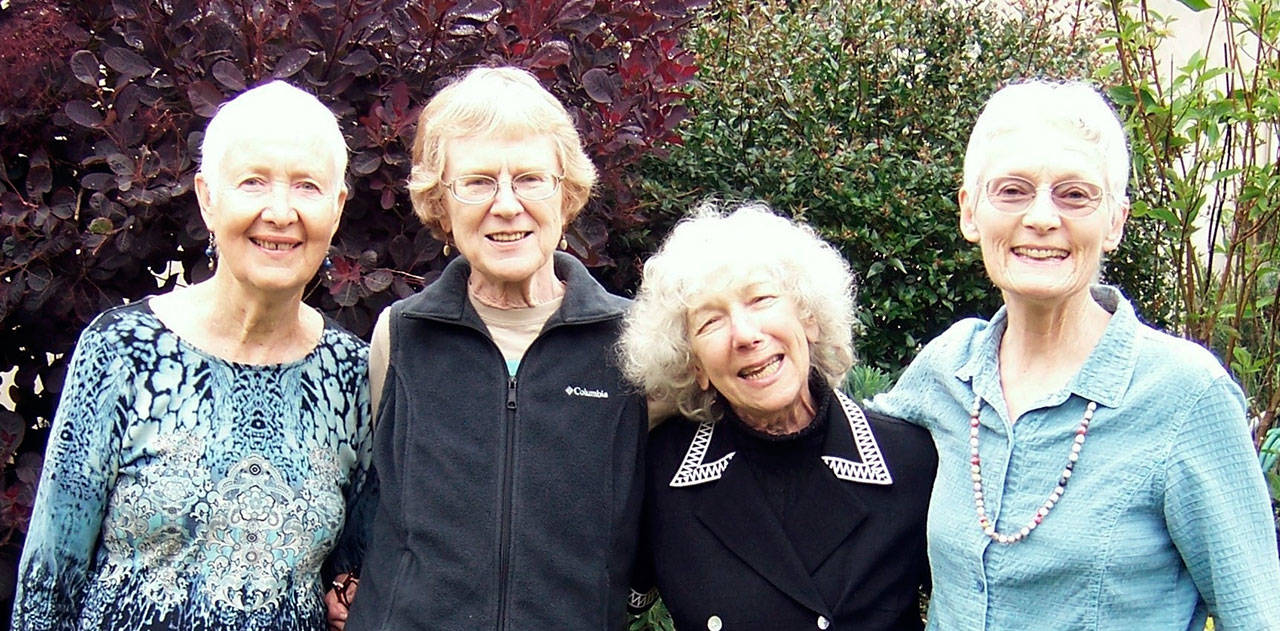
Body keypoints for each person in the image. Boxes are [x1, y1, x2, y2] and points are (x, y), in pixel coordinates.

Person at [869, 80, 1280, 629]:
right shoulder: (947, 370)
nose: (1041, 217)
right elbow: (833, 462)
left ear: (1114, 221)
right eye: (1012, 191)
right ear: (971, 213)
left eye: (1075, 194)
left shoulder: (1186, 396)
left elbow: (1257, 614)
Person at [11, 81, 371, 630]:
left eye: (307, 186)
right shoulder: (121, 349)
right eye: (253, 182)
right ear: (207, 198)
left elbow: (358, 572)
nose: (280, 211)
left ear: (338, 208)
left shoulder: (353, 374)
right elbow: (49, 579)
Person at [325, 66, 646, 631]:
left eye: (529, 178)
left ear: (566, 193)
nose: (505, 204)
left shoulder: (632, 343)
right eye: (476, 182)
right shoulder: (401, 334)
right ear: (440, 205)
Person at [619, 203, 936, 630]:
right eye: (711, 321)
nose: (746, 335)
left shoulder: (910, 460)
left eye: (761, 299)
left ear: (809, 318)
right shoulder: (660, 471)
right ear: (696, 366)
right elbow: (594, 600)